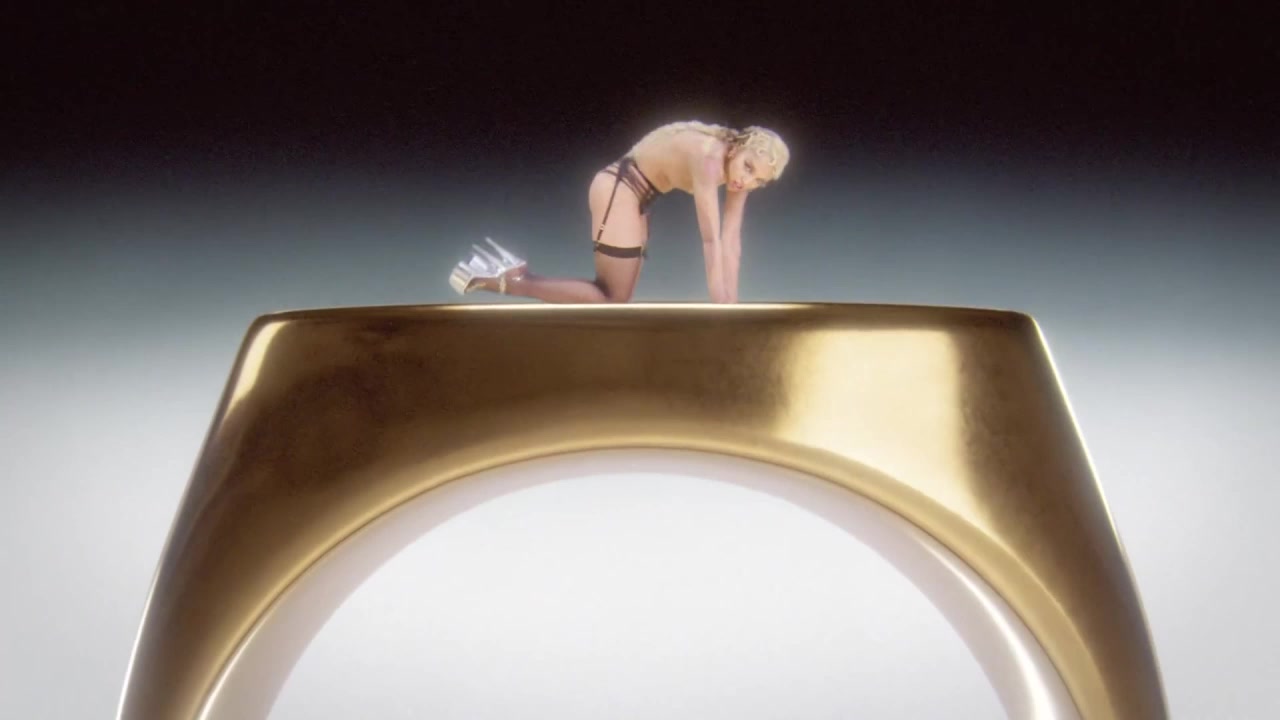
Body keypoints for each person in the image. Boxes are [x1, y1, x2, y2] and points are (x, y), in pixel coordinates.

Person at [448, 121, 790, 303]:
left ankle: (512, 277)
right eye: (748, 167)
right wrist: (722, 308)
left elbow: (732, 240)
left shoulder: (736, 171)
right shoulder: (710, 158)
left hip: (638, 197)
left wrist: (732, 304)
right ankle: (511, 280)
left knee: (616, 297)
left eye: (759, 180)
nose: (746, 181)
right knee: (610, 296)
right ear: (739, 147)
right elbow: (711, 239)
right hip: (619, 187)